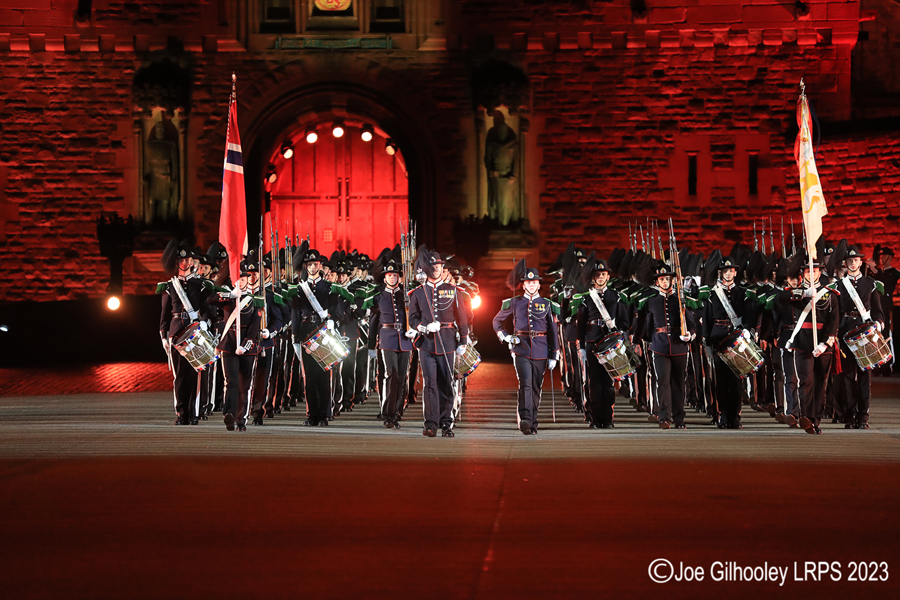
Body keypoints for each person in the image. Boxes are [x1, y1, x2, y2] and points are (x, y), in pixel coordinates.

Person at [492, 260, 559, 435]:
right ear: (523, 285)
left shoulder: (546, 304)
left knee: (536, 386)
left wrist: (554, 354)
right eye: (528, 282)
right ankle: (525, 419)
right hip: (520, 348)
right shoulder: (514, 302)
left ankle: (533, 422)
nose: (531, 285)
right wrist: (506, 336)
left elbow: (553, 331)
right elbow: (497, 321)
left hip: (541, 349)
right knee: (526, 384)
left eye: (534, 282)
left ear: (538, 284)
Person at [407, 246, 469, 437]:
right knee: (429, 384)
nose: (436, 269)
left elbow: (462, 317)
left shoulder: (453, 290)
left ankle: (446, 422)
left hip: (448, 341)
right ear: (426, 268)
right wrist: (424, 328)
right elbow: (413, 318)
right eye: (432, 266)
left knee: (446, 383)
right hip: (426, 343)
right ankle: (430, 423)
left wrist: (463, 341)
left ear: (443, 268)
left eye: (439, 266)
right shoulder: (417, 293)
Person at [778, 259, 840, 434]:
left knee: (820, 383)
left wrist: (826, 343)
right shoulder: (798, 292)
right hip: (802, 341)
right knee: (805, 381)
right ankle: (806, 417)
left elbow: (834, 320)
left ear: (819, 273)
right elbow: (780, 298)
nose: (811, 274)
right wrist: (805, 293)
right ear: (802, 274)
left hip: (822, 342)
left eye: (814, 271)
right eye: (807, 272)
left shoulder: (830, 294)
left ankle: (816, 420)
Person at [157, 239, 213, 426]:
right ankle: (182, 413)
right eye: (182, 260)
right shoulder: (170, 286)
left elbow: (206, 309)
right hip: (176, 331)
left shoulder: (200, 284)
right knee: (180, 376)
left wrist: (204, 322)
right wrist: (164, 335)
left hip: (195, 330)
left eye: (188, 260)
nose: (185, 263)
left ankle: (193, 412)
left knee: (195, 374)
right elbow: (165, 314)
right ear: (176, 263)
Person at [290, 247, 344, 427]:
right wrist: (295, 338)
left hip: (323, 333)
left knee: (323, 374)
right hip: (305, 333)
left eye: (315, 264)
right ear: (305, 267)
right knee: (309, 377)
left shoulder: (329, 288)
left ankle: (323, 414)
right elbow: (295, 314)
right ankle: (311, 414)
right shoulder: (299, 289)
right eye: (309, 265)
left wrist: (333, 321)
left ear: (320, 265)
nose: (312, 268)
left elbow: (338, 311)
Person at [573, 255, 630, 428]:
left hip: (611, 344)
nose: (600, 277)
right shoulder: (586, 299)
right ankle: (595, 418)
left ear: (608, 277)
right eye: (597, 275)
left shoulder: (617, 297)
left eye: (603, 274)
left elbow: (624, 322)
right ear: (593, 277)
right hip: (592, 342)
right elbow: (581, 326)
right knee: (594, 382)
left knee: (608, 383)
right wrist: (581, 347)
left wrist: (621, 337)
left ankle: (608, 418)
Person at [702, 256, 757, 429]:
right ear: (721, 273)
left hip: (737, 339)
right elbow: (707, 319)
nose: (728, 274)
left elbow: (750, 315)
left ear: (735, 272)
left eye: (730, 271)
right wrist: (706, 343)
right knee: (721, 381)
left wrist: (748, 328)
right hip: (718, 338)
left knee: (736, 380)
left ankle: (735, 416)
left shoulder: (742, 293)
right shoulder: (712, 294)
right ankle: (723, 416)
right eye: (725, 271)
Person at [642, 262, 697, 429]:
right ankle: (664, 417)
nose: (665, 282)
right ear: (657, 282)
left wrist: (690, 335)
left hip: (679, 345)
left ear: (672, 281)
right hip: (659, 346)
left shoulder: (681, 300)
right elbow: (647, 326)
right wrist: (645, 342)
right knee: (662, 381)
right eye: (661, 280)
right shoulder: (651, 301)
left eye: (667, 279)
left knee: (679, 383)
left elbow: (692, 324)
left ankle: (679, 418)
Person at [212, 259, 263, 432]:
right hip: (229, 344)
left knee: (245, 384)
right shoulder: (229, 296)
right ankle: (230, 414)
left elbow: (255, 327)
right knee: (231, 382)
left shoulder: (255, 299)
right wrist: (230, 295)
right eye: (238, 279)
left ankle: (242, 418)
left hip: (246, 346)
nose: (241, 282)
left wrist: (245, 345)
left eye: (243, 279)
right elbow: (210, 299)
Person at [837, 246, 884, 429]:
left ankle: (863, 416)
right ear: (845, 263)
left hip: (864, 333)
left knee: (864, 375)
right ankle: (849, 416)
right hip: (846, 332)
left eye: (856, 260)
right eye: (849, 260)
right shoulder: (839, 285)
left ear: (860, 262)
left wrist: (878, 325)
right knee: (847, 376)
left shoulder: (870, 284)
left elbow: (878, 312)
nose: (853, 263)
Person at [367, 252, 413, 428]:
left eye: (395, 275)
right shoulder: (378, 296)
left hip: (405, 338)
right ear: (384, 277)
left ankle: (397, 411)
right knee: (390, 375)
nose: (392, 278)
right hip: (387, 339)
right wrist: (372, 345)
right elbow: (373, 322)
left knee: (402, 377)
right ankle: (387, 412)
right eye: (389, 275)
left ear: (399, 277)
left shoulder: (406, 295)